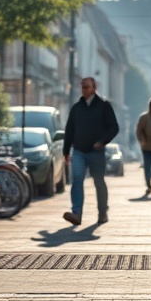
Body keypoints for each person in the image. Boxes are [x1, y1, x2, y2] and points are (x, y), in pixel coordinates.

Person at [62, 76, 119, 226]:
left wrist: (102, 142)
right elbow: (69, 130)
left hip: (96, 152)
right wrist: (66, 150)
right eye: (82, 87)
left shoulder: (104, 106)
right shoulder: (77, 108)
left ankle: (102, 212)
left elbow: (114, 127)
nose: (84, 90)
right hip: (79, 151)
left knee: (99, 182)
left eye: (87, 87)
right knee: (77, 179)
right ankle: (76, 213)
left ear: (94, 88)